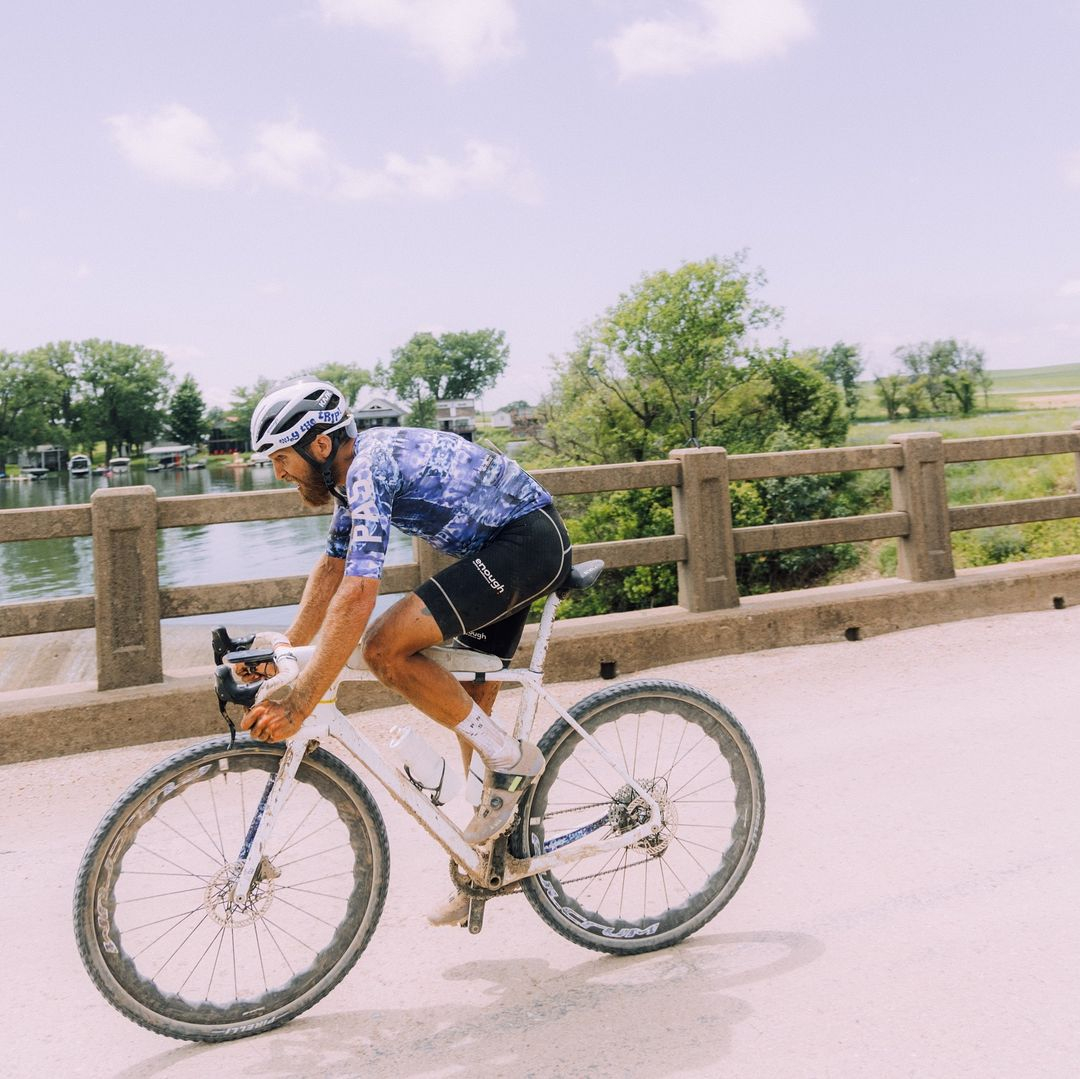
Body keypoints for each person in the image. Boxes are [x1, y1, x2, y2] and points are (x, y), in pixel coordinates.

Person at [238, 378, 571, 923]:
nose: (278, 472)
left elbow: (360, 591)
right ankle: (484, 868)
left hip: (527, 545)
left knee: (383, 649)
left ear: (318, 446)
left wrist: (301, 700)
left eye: (280, 458)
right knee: (472, 709)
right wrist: (290, 649)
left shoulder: (368, 468)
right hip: (499, 549)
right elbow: (332, 567)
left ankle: (512, 760)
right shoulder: (352, 475)